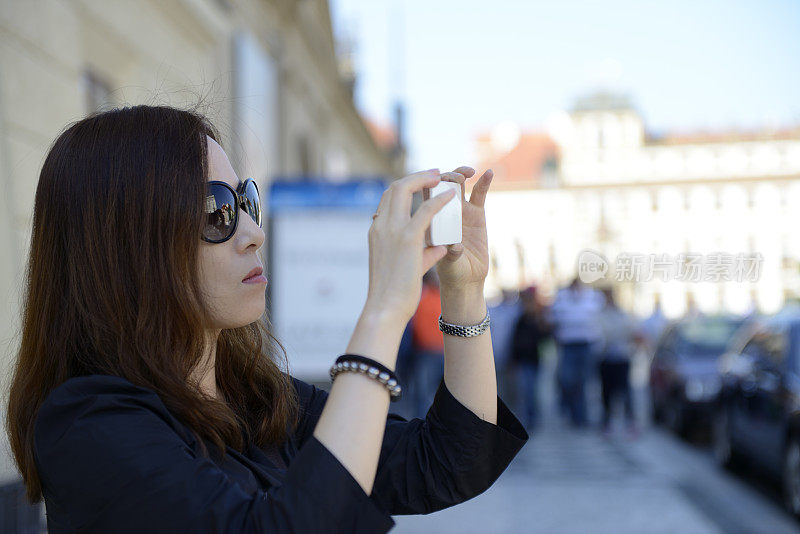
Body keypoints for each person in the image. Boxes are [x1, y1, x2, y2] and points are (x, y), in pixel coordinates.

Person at [5, 105, 527, 533]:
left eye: (246, 201)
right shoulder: (89, 425)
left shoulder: (255, 398)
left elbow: (450, 462)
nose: (252, 232)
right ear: (127, 247)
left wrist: (462, 292)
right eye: (217, 212)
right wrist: (384, 311)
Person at [549, 277, 604, 427]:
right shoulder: (561, 299)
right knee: (567, 379)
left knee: (583, 382)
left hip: (586, 345)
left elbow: (599, 322)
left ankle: (580, 416)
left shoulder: (593, 298)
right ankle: (569, 407)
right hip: (568, 345)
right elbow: (553, 322)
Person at [597, 288, 643, 438]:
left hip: (622, 358)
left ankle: (630, 423)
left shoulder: (623, 314)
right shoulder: (600, 315)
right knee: (606, 392)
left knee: (625, 392)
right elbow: (600, 334)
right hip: (606, 359)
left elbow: (631, 332)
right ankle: (607, 422)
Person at [509, 285, 551, 431]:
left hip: (534, 359)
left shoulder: (538, 318)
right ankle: (527, 416)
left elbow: (545, 337)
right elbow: (514, 340)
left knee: (531, 389)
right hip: (522, 359)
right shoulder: (519, 319)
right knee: (524, 389)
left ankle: (533, 417)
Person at [409, 269, 445, 418]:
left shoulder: (444, 296)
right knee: (423, 392)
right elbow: (418, 326)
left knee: (443, 394)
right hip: (426, 352)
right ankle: (422, 422)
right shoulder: (421, 296)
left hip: (444, 353)